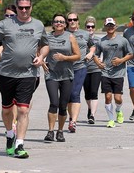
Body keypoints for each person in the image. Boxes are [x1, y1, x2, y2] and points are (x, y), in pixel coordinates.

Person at [0, 0, 49, 158]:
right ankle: (10, 134)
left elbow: (45, 45)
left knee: (23, 110)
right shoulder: (6, 24)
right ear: (16, 8)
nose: (24, 10)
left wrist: (41, 57)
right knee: (7, 110)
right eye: (21, 7)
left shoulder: (38, 25)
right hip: (6, 73)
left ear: (31, 7)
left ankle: (19, 144)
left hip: (28, 73)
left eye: (27, 7)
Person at [43, 13, 80, 142]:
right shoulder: (47, 37)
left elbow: (77, 56)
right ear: (53, 24)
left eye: (61, 22)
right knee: (54, 103)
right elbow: (39, 51)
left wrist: (65, 58)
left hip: (66, 75)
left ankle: (60, 131)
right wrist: (42, 62)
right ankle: (50, 131)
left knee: (63, 105)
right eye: (56, 21)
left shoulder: (70, 37)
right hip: (51, 74)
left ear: (65, 24)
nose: (59, 23)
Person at [94, 17, 133, 128]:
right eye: (108, 25)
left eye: (112, 25)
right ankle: (111, 119)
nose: (110, 27)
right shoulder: (101, 41)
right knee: (108, 97)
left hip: (119, 73)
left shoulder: (122, 40)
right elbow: (95, 55)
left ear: (115, 26)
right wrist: (98, 63)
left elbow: (131, 54)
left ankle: (118, 110)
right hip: (105, 72)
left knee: (117, 98)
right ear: (105, 27)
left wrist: (121, 60)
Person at [66, 12, 95, 133]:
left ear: (78, 21)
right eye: (70, 19)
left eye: (74, 19)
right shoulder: (64, 34)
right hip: (66, 68)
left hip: (80, 67)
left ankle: (73, 122)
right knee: (67, 96)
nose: (72, 21)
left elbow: (92, 46)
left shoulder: (85, 34)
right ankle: (71, 117)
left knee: (75, 93)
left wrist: (90, 53)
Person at [0, 4, 18, 134]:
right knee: (8, 98)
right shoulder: (1, 27)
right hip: (4, 68)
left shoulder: (21, 27)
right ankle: (11, 123)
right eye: (6, 15)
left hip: (20, 68)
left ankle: (14, 123)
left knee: (18, 99)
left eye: (12, 15)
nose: (9, 18)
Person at [83, 16, 102, 124]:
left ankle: (92, 115)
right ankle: (90, 108)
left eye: (92, 26)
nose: (90, 28)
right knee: (87, 93)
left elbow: (104, 50)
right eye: (88, 26)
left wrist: (102, 60)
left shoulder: (98, 40)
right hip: (84, 68)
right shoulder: (82, 38)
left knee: (94, 91)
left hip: (96, 69)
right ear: (85, 27)